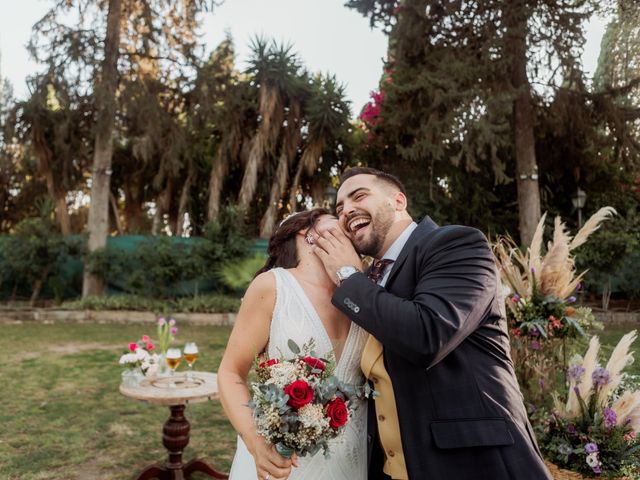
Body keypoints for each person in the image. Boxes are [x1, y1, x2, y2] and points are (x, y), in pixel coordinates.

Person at [312, 167, 552, 480]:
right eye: (340, 207)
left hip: (475, 464)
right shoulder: (370, 278)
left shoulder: (456, 244)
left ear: (398, 201)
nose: (347, 211)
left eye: (359, 196)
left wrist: (347, 275)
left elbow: (426, 335)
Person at [218, 208, 369, 480]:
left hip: (353, 459)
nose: (346, 217)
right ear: (306, 231)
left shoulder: (367, 291)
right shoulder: (273, 286)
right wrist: (255, 442)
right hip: (283, 461)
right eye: (335, 215)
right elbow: (230, 374)